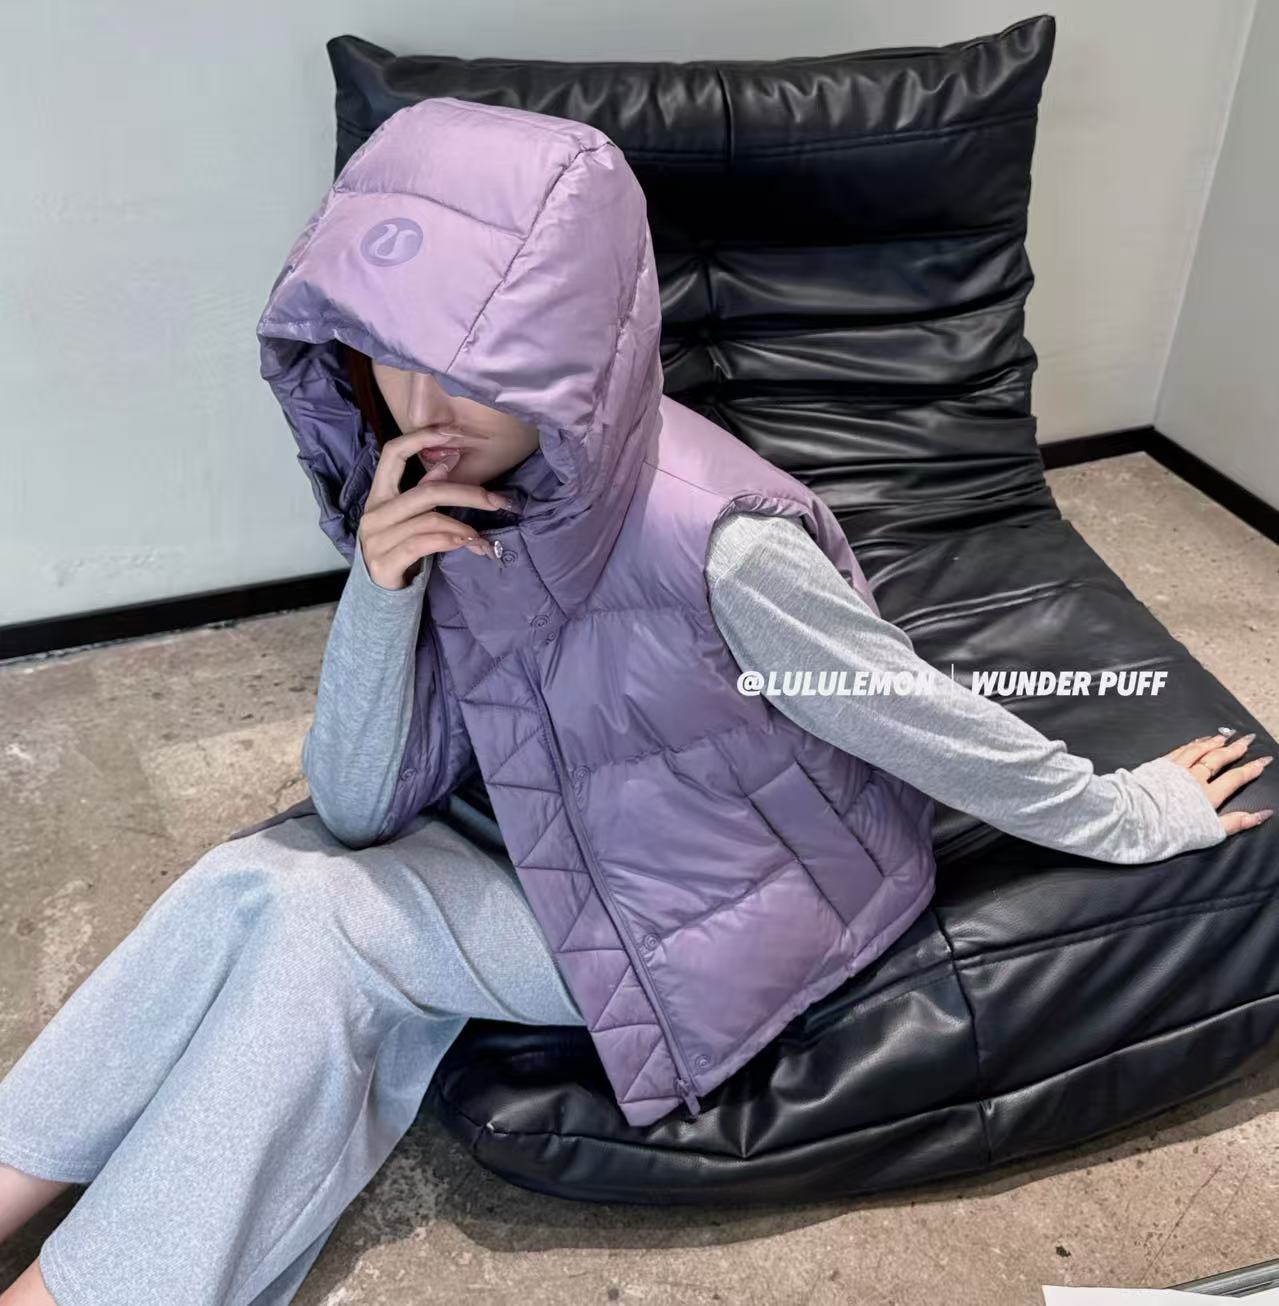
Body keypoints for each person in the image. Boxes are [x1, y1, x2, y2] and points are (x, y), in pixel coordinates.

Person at [0, 98, 1271, 1305]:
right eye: (389, 357)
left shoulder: (720, 543)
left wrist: (1127, 810)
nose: (421, 411)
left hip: (727, 902)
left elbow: (915, 712)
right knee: (254, 879)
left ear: (558, 352)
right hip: (557, 841)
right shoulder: (441, 494)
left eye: (469, 369)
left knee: (330, 929)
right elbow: (353, 803)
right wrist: (380, 592)